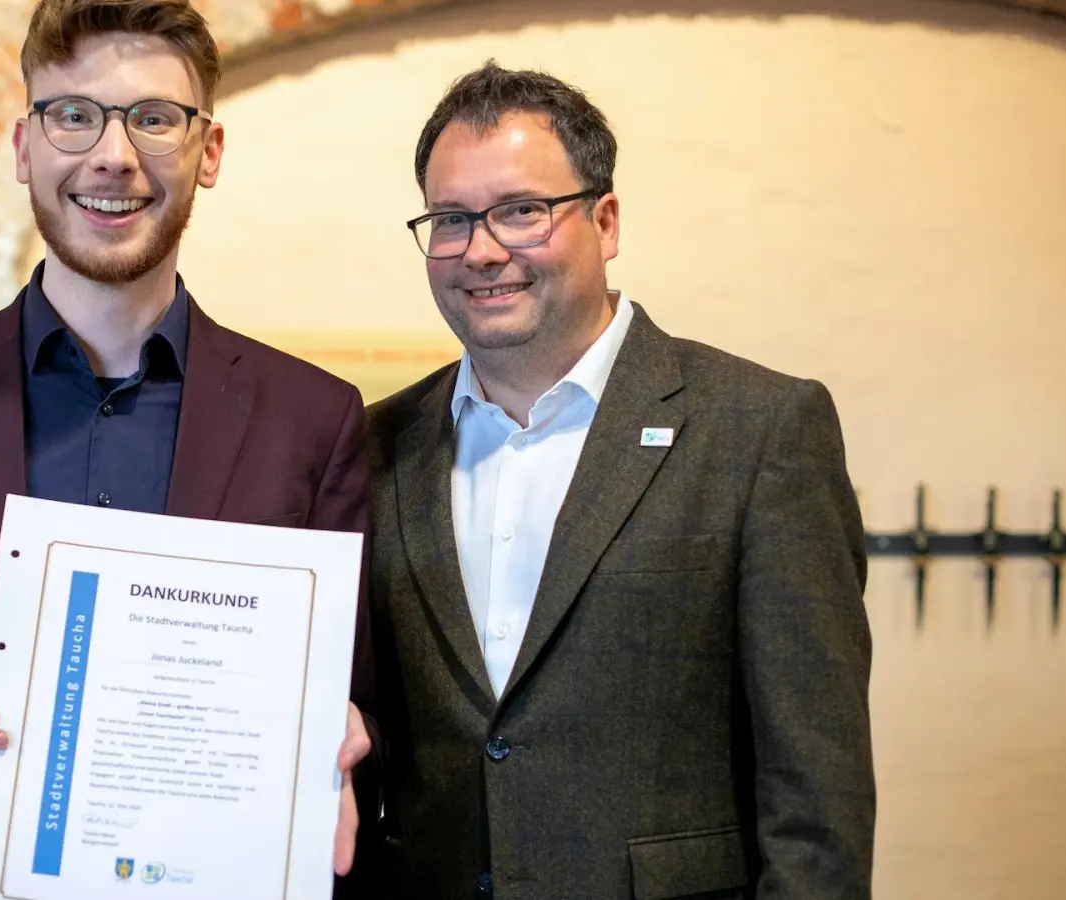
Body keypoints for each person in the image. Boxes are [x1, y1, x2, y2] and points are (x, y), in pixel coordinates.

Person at [0, 2, 377, 897]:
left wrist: (349, 737)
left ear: (209, 152)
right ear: (24, 148)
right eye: (73, 115)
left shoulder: (312, 418)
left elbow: (356, 705)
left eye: (155, 118)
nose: (114, 156)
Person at [359, 61, 876, 899]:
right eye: (451, 219)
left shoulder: (760, 431)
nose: (482, 250)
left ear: (605, 221)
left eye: (522, 211)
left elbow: (816, 792)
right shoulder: (375, 445)